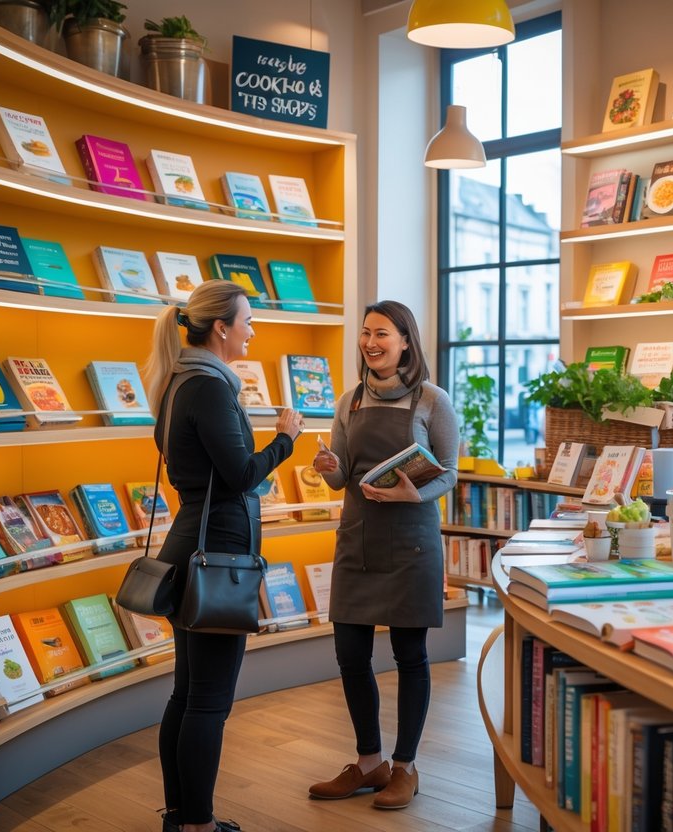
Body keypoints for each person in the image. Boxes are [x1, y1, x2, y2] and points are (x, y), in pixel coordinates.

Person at [143, 280, 304, 832]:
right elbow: (239, 477)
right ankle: (198, 825)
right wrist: (285, 440)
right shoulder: (210, 388)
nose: (252, 331)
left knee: (187, 694)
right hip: (217, 556)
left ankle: (181, 816)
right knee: (209, 700)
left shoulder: (179, 382)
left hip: (192, 547)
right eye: (248, 321)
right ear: (221, 327)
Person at [307, 300, 460, 810]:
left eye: (382, 334)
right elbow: (339, 475)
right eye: (366, 333)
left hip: (412, 543)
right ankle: (369, 763)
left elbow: (449, 472)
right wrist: (327, 465)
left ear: (405, 343)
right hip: (358, 538)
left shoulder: (432, 401)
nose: (371, 342)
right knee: (350, 656)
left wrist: (412, 494)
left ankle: (406, 767)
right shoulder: (348, 401)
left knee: (410, 657)